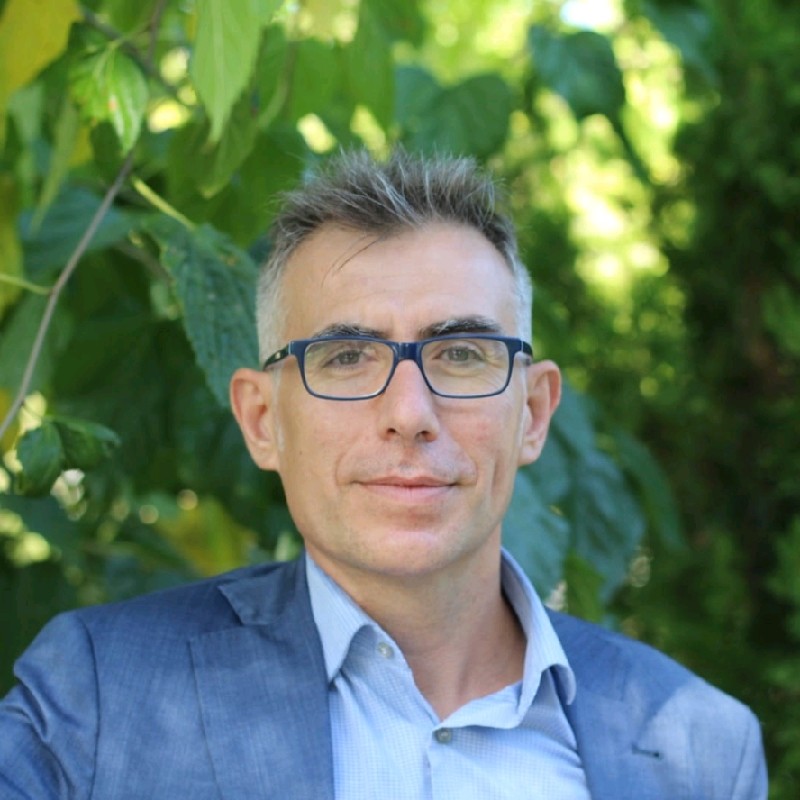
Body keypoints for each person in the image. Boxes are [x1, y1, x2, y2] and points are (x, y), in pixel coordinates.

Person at [0, 149, 766, 799]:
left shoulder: (703, 752)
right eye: (345, 357)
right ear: (263, 420)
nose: (409, 412)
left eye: (460, 354)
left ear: (533, 413)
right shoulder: (96, 697)